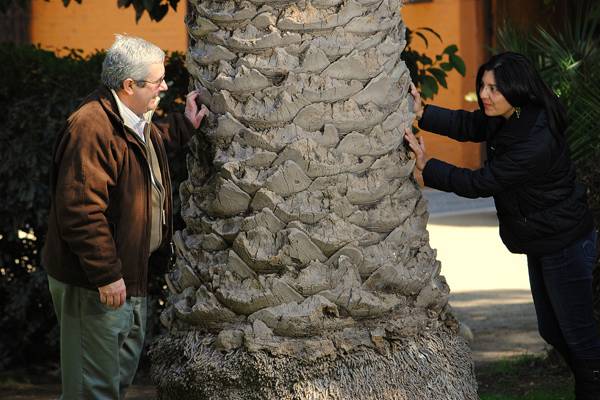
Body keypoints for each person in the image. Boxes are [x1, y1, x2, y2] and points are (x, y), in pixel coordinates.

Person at [404, 51, 600, 400]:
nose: (484, 95)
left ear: (517, 89)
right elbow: (472, 125)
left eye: (493, 89)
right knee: (553, 331)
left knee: (580, 339)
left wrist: (428, 167)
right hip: (545, 240)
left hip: (565, 244)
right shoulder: (513, 115)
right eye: (482, 86)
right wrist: (424, 113)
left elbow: (482, 182)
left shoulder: (534, 139)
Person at [42, 34, 208, 399]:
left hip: (128, 276)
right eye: (157, 81)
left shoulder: (132, 117)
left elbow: (141, 154)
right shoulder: (91, 128)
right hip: (97, 285)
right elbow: (80, 211)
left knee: (115, 381)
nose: (165, 86)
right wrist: (106, 274)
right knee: (92, 390)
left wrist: (185, 127)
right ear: (128, 84)